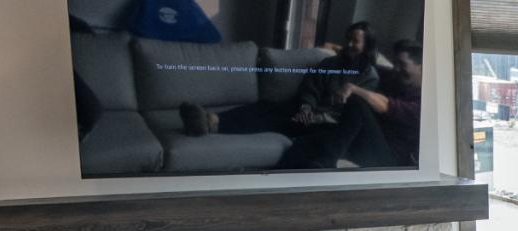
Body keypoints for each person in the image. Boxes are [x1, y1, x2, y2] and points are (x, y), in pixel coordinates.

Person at [178, 22, 381, 138]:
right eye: (348, 39)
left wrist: (315, 117)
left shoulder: (369, 77)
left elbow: (354, 114)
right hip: (307, 110)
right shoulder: (331, 63)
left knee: (277, 122)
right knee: (266, 107)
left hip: (327, 124)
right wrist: (306, 107)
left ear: (367, 45)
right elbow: (311, 87)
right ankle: (211, 118)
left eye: (355, 41)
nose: (349, 44)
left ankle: (213, 125)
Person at [279, 44, 422, 169]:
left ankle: (327, 161)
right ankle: (278, 182)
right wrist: (338, 49)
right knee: (305, 143)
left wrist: (353, 88)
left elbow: (386, 106)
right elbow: (373, 62)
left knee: (357, 102)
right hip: (366, 142)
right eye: (395, 63)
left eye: (402, 64)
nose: (396, 69)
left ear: (422, 67)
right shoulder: (396, 78)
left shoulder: (424, 103)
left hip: (390, 159)